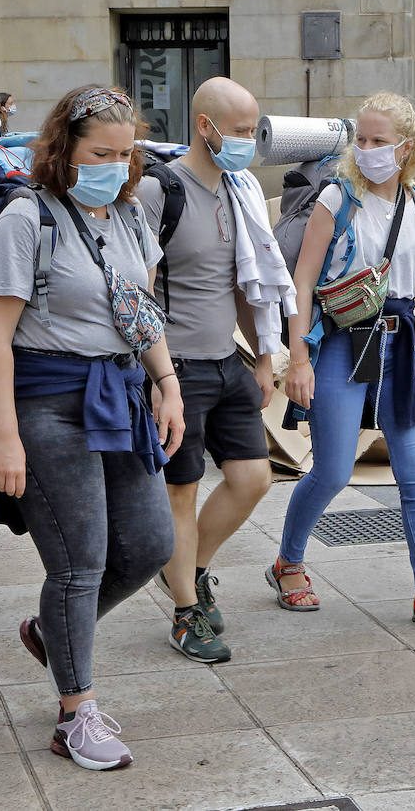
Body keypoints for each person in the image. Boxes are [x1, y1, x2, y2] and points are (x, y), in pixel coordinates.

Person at [0, 85, 183, 770]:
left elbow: (140, 312)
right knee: (79, 562)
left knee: (150, 545)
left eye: (126, 155)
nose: (117, 166)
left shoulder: (128, 218)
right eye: (101, 153)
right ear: (63, 150)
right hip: (49, 404)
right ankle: (76, 716)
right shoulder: (25, 218)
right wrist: (5, 435)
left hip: (120, 395)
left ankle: (51, 631)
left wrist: (167, 384)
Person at [274, 91, 415, 634]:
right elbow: (304, 282)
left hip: (399, 344)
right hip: (343, 341)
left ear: (406, 148)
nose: (366, 150)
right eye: (360, 139)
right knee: (334, 469)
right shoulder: (337, 200)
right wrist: (298, 359)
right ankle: (288, 561)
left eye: (378, 141)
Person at [135, 76, 291, 664]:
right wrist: (155, 378)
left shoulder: (239, 188)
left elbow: (244, 282)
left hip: (227, 361)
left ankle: (190, 571)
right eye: (244, 131)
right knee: (181, 491)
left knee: (254, 477)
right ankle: (183, 615)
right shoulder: (160, 191)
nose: (251, 141)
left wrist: (265, 359)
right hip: (175, 369)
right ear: (207, 126)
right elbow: (137, 290)